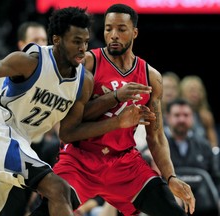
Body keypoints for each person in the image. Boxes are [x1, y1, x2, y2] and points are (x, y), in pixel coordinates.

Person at [0, 6, 155, 216]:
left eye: (85, 42)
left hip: (9, 145)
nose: (83, 48)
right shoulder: (32, 61)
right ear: (57, 40)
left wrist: (117, 122)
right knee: (58, 189)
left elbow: (68, 133)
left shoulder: (83, 82)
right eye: (76, 42)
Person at [32, 3, 195, 216]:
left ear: (134, 32)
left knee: (171, 210)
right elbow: (70, 127)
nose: (113, 35)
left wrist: (171, 176)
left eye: (121, 29)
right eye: (108, 29)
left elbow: (156, 136)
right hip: (81, 159)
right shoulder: (88, 63)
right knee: (47, 210)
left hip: (124, 163)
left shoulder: (151, 77)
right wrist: (115, 101)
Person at [165, 98, 220, 192]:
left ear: (193, 117)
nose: (182, 119)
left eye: (186, 115)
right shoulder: (157, 146)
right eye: (177, 115)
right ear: (168, 117)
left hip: (203, 202)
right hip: (170, 200)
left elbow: (216, 178)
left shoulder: (204, 146)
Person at [0, 21, 48, 100]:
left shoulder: (54, 73)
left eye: (44, 40)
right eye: (35, 40)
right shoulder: (3, 74)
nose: (41, 45)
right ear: (22, 45)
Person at [179, 75, 219, 148]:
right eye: (192, 90)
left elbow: (214, 144)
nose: (195, 94)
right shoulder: (175, 114)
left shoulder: (206, 116)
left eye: (199, 90)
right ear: (182, 92)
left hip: (202, 155)